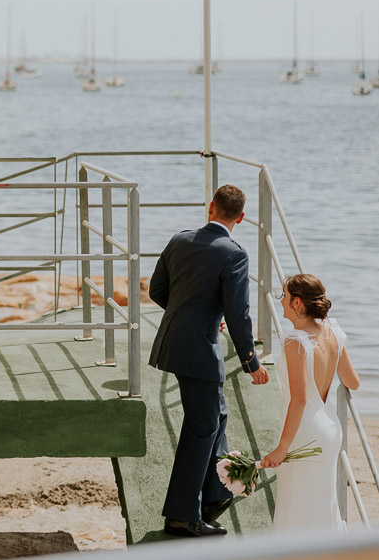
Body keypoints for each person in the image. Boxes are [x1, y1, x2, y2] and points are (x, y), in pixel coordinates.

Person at [149, 184, 270, 538]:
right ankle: (183, 517)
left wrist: (191, 316)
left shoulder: (179, 240)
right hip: (199, 350)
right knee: (202, 428)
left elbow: (158, 291)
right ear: (241, 217)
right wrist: (252, 362)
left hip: (173, 341)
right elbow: (237, 314)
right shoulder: (234, 253)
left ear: (211, 208)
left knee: (215, 417)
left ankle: (213, 496)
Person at [260, 274, 359, 531]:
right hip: (329, 429)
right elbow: (352, 381)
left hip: (304, 433)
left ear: (297, 302)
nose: (280, 301)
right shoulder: (333, 332)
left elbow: (300, 398)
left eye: (284, 295)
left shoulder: (296, 341)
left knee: (295, 509)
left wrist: (282, 447)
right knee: (322, 505)